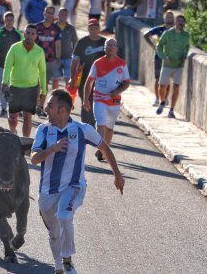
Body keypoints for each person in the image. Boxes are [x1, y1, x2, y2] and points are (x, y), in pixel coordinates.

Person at [31, 89, 125, 274]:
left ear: (63, 111)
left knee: (64, 216)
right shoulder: (43, 130)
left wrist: (117, 175)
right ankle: (58, 266)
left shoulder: (83, 130)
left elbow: (105, 149)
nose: (46, 109)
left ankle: (67, 261)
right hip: (47, 191)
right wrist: (52, 149)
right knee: (54, 233)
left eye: (50, 105)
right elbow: (34, 159)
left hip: (74, 186)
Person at [83, 38, 130, 161]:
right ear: (104, 48)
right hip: (99, 99)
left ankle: (105, 148)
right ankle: (102, 149)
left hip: (114, 102)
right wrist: (85, 99)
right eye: (107, 45)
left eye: (112, 45)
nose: (110, 47)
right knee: (101, 125)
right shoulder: (97, 63)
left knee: (109, 129)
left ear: (116, 49)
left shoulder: (122, 64)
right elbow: (89, 82)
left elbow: (126, 83)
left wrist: (117, 92)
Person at [1, 24, 46, 136]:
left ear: (36, 36)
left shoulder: (39, 51)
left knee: (27, 117)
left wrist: (43, 91)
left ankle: (25, 142)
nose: (29, 36)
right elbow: (7, 66)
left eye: (32, 34)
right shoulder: (15, 48)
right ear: (24, 34)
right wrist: (5, 82)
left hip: (31, 88)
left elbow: (42, 72)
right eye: (28, 33)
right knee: (12, 117)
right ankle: (13, 132)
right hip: (15, 87)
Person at [70, 18, 105, 127]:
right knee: (85, 102)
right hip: (85, 78)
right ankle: (85, 126)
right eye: (91, 28)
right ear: (88, 29)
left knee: (98, 103)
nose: (93, 30)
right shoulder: (82, 42)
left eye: (95, 28)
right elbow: (74, 61)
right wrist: (72, 78)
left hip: (101, 79)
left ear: (99, 29)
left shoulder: (105, 42)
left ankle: (94, 124)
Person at [155, 15, 190, 119]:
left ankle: (172, 110)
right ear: (175, 23)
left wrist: (185, 55)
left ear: (184, 23)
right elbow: (159, 46)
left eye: (182, 21)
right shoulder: (167, 33)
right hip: (167, 64)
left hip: (179, 65)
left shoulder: (186, 35)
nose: (180, 23)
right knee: (162, 86)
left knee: (176, 86)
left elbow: (187, 46)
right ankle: (162, 102)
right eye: (178, 21)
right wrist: (164, 57)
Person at [0, 11, 23, 118]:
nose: (9, 21)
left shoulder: (18, 34)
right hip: (1, 65)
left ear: (14, 21)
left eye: (11, 20)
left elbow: (23, 50)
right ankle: (3, 109)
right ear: (4, 20)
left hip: (15, 66)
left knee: (16, 88)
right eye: (7, 19)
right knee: (3, 87)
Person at [35, 6, 62, 118]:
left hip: (49, 61)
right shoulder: (37, 27)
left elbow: (58, 45)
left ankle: (40, 106)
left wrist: (58, 59)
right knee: (34, 84)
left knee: (44, 85)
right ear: (44, 13)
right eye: (47, 12)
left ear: (53, 15)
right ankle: (33, 104)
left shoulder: (56, 29)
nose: (49, 15)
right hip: (36, 60)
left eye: (51, 13)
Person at [143, 10, 174, 106]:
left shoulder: (175, 31)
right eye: (167, 17)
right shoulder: (159, 29)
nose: (169, 19)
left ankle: (165, 99)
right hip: (159, 56)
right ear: (164, 18)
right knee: (157, 79)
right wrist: (153, 46)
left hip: (170, 58)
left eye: (171, 17)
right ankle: (157, 98)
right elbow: (146, 35)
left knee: (167, 79)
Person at [55, 7, 77, 88]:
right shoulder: (53, 27)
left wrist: (75, 57)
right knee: (55, 80)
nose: (63, 16)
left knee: (68, 80)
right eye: (61, 14)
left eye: (65, 14)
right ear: (58, 15)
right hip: (56, 58)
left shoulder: (71, 28)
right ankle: (55, 97)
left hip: (68, 57)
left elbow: (75, 42)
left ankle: (67, 97)